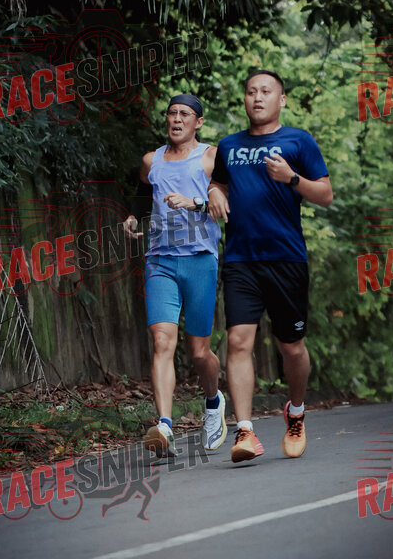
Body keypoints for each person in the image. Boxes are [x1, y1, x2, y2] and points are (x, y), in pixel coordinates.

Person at [207, 71, 333, 463]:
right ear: (244, 99)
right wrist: (214, 191)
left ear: (281, 99)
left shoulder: (298, 141)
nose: (257, 97)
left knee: (291, 347)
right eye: (251, 91)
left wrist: (291, 178)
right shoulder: (229, 146)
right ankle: (245, 431)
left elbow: (325, 195)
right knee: (238, 341)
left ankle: (295, 412)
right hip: (240, 259)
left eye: (266, 91)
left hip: (286, 258)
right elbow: (220, 184)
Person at [123, 93, 227, 458]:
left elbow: (227, 202)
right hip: (160, 261)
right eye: (171, 113)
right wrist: (133, 217)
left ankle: (213, 402)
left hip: (200, 260)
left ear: (198, 122)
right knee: (161, 342)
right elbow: (142, 191)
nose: (177, 119)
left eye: (184, 114)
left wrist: (194, 202)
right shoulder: (151, 160)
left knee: (199, 353)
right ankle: (164, 425)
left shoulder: (211, 157)